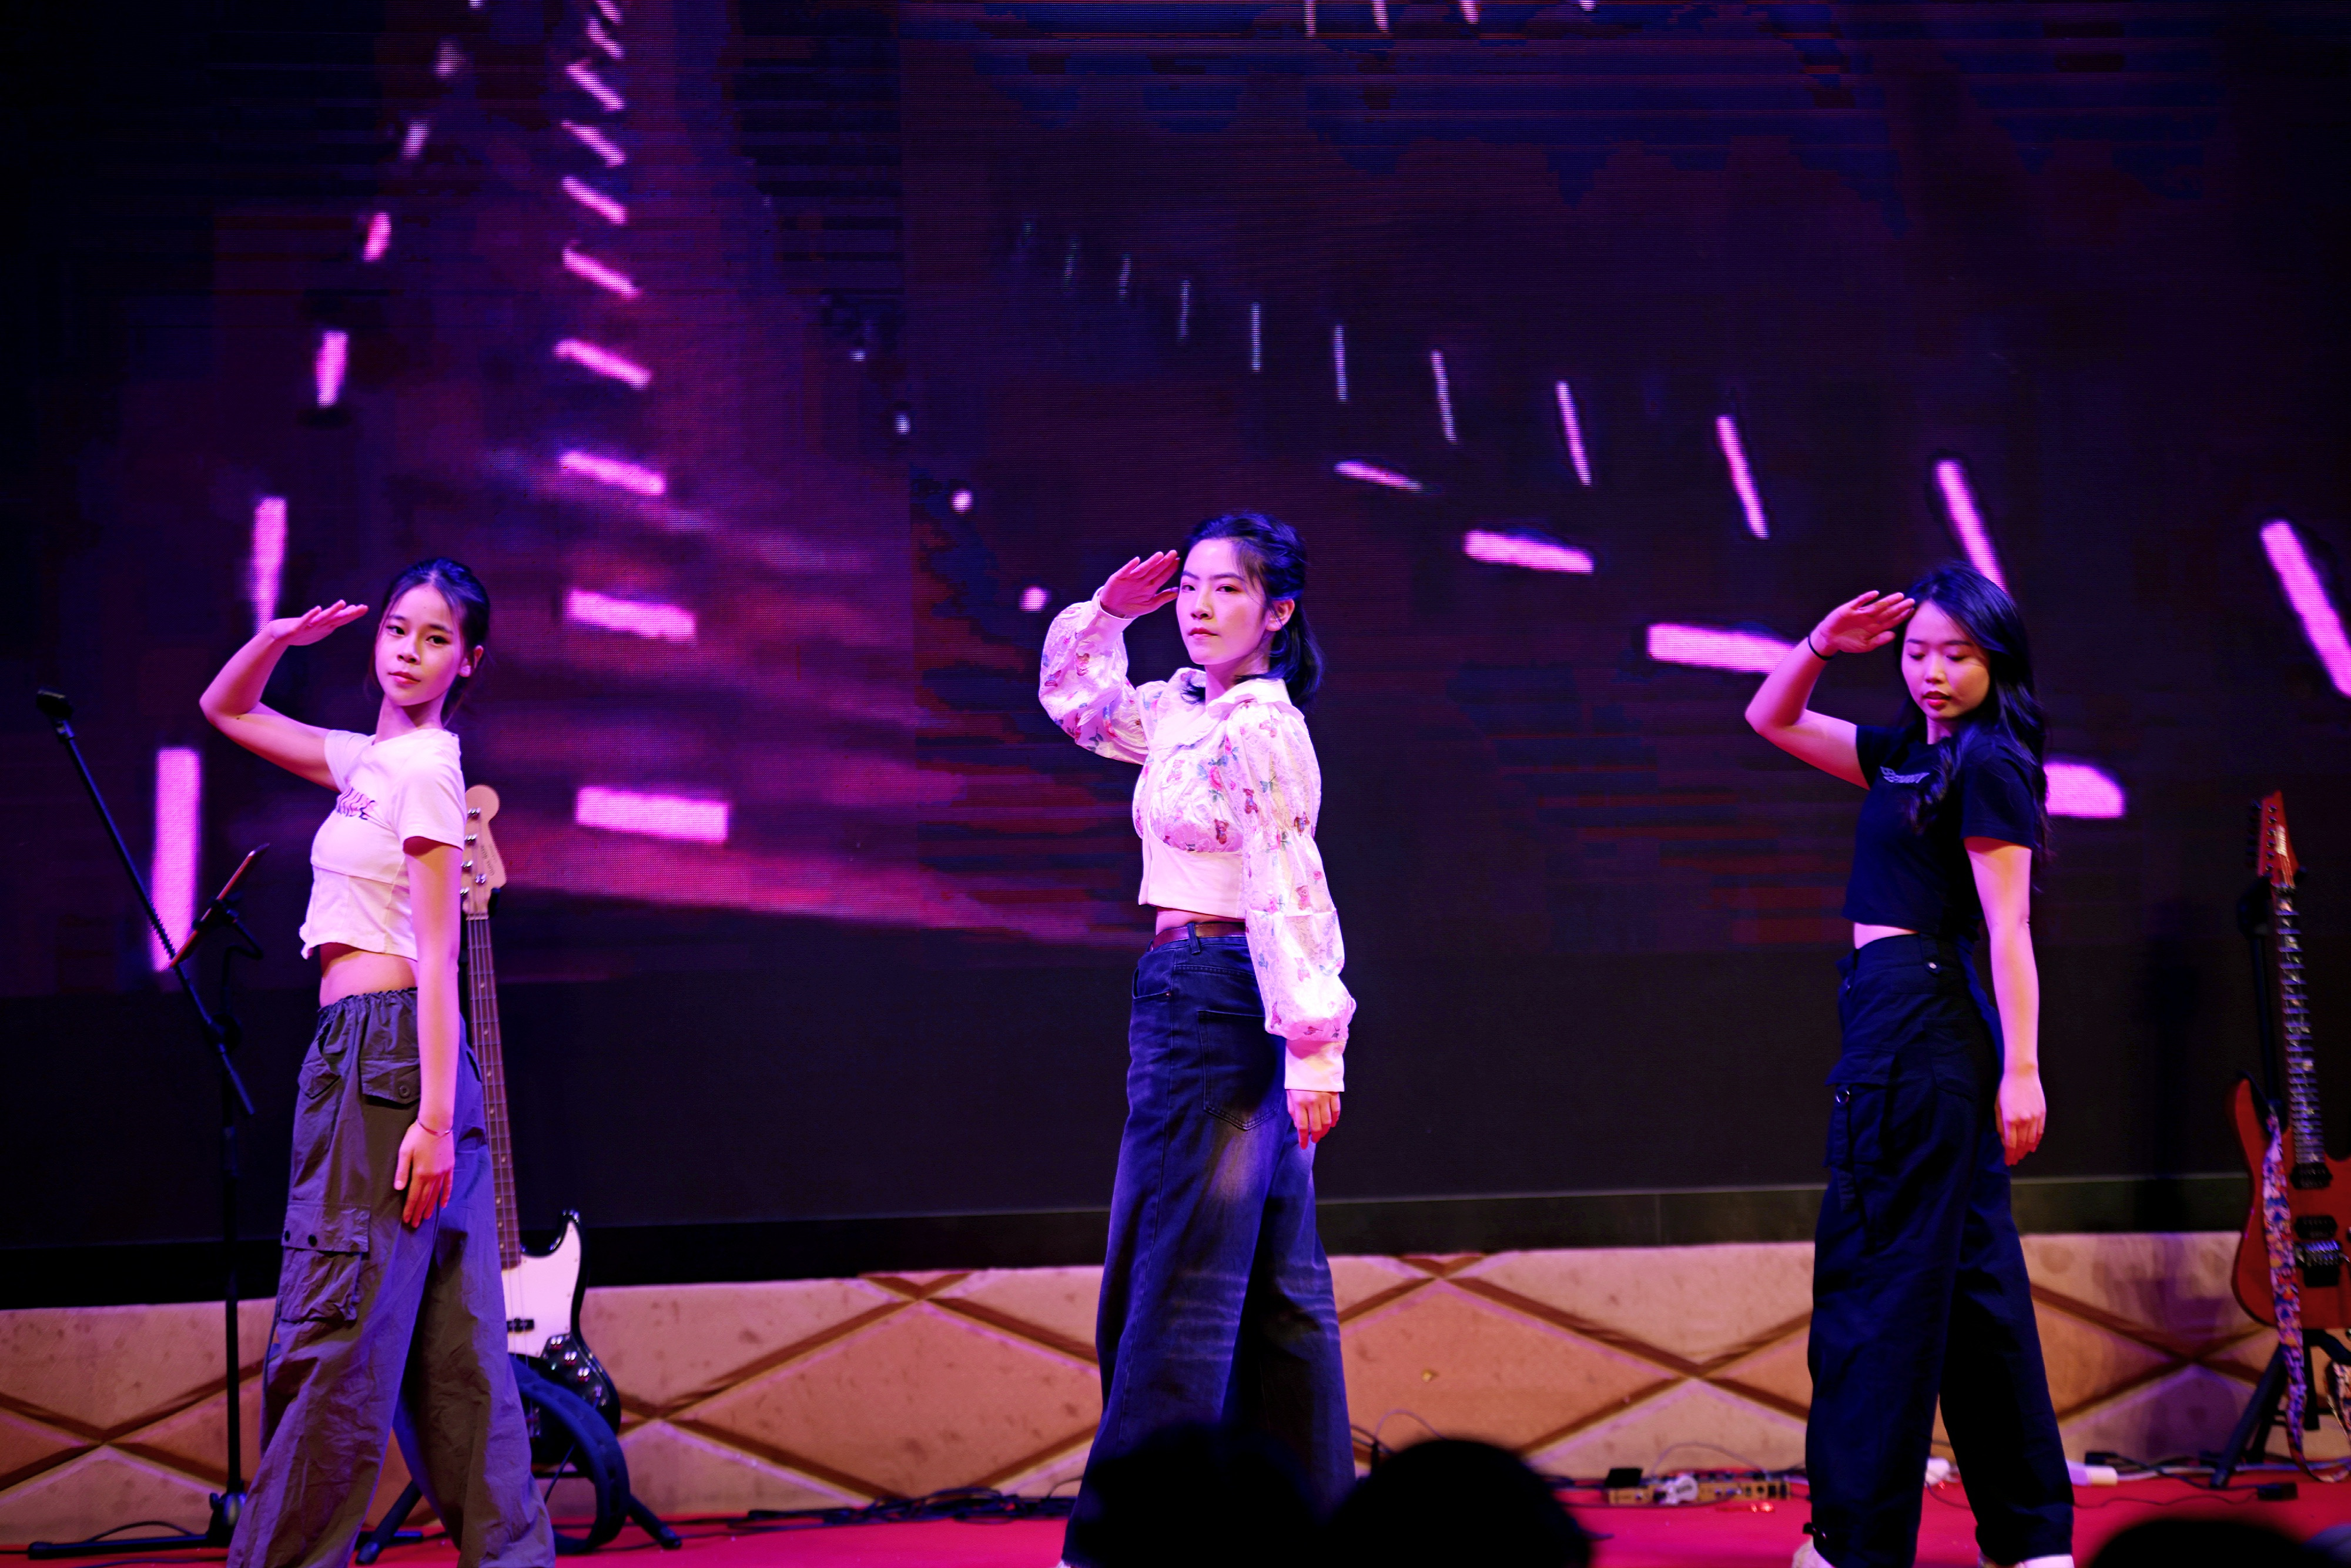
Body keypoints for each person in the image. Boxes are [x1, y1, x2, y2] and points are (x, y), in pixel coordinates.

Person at [200, 559, 552, 1568]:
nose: (409, 651)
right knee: (458, 1357)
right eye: (398, 628)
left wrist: (434, 1122)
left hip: (388, 1058)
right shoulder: (370, 761)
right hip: (403, 1062)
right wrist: (279, 639)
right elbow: (227, 710)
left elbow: (439, 955)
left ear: (467, 662)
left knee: (334, 1332)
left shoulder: (429, 768)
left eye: (436, 638)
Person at [1040, 511, 1356, 1564]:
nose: (1202, 608)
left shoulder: (1260, 727)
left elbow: (1289, 881)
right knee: (1277, 1288)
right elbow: (1080, 709)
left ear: (1279, 612)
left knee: (1171, 1277)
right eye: (1193, 588)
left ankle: (1124, 1546)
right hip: (1212, 992)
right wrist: (1105, 615)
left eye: (1230, 590)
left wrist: (1314, 1045)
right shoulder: (1180, 707)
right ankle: (1308, 1535)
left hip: (1217, 994)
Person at [1744, 564, 2072, 1568]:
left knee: (1876, 1282)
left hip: (1919, 1020)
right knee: (1976, 1293)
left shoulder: (1989, 762)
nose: (1933, 672)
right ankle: (2032, 1540)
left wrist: (2025, 1068)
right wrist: (1821, 644)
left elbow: (2010, 929)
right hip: (1904, 1013)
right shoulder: (1908, 756)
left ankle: (1856, 1542)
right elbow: (1770, 718)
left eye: (1958, 655)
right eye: (1919, 652)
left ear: (1996, 661)